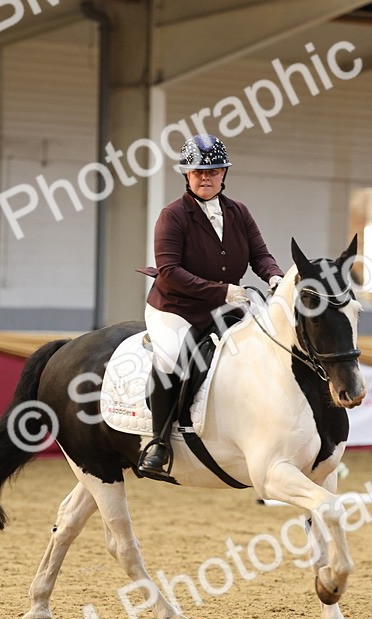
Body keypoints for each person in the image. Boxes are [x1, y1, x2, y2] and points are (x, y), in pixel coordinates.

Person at [137, 134, 284, 478]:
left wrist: (274, 277)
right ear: (187, 176)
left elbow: (259, 254)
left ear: (223, 174)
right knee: (173, 357)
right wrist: (224, 293)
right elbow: (170, 272)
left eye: (213, 171)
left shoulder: (238, 212)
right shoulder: (172, 215)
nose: (206, 177)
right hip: (176, 308)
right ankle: (158, 443)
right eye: (198, 172)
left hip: (226, 306)